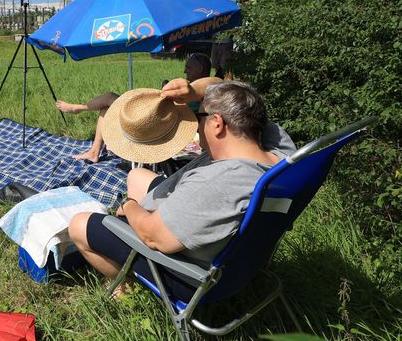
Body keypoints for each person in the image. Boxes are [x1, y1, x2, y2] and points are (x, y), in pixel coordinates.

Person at [68, 80, 292, 298]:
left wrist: (128, 206)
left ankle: (128, 286)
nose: (196, 124)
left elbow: (153, 236)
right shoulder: (280, 149)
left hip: (191, 275)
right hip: (240, 256)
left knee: (79, 225)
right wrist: (193, 91)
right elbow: (231, 89)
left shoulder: (216, 184)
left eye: (199, 115)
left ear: (216, 123)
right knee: (136, 176)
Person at [55, 53, 212, 163]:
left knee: (109, 97)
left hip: (167, 124)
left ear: (199, 69)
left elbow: (215, 82)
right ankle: (94, 151)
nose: (184, 71)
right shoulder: (188, 88)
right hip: (163, 118)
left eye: (188, 68)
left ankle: (79, 108)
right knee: (105, 109)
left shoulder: (205, 93)